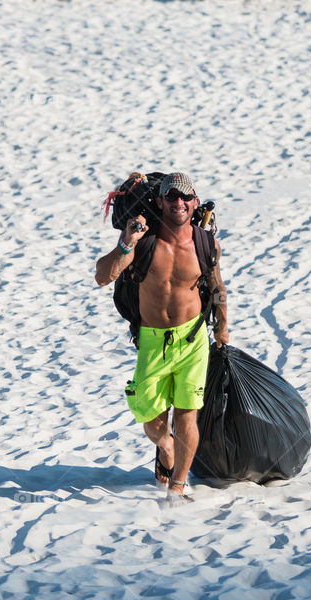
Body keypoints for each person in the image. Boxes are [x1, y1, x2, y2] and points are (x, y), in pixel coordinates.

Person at [95, 172, 229, 501]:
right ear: (161, 201)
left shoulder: (205, 243)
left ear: (195, 203)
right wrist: (126, 241)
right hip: (153, 341)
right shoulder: (144, 241)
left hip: (192, 338)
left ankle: (178, 487)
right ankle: (166, 446)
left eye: (186, 198)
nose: (179, 203)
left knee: (187, 413)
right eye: (172, 197)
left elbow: (216, 286)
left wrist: (222, 326)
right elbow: (103, 276)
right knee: (152, 419)